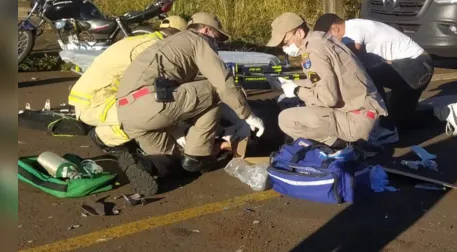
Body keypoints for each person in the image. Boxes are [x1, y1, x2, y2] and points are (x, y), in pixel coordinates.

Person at [116, 12, 265, 195]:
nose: (217, 45)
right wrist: (248, 116)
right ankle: (198, 154)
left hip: (126, 113)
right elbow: (223, 83)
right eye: (217, 39)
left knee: (175, 166)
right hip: (151, 104)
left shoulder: (172, 44)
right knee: (218, 89)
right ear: (206, 30)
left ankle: (145, 164)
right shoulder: (198, 40)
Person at [313, 14, 457, 137]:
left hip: (416, 66)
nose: (330, 45)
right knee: (401, 122)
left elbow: (350, 59)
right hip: (412, 69)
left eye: (328, 40)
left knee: (367, 74)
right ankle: (446, 112)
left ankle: (381, 124)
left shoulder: (353, 29)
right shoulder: (353, 28)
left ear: (335, 29)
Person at [265, 12, 387, 147]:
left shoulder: (313, 52)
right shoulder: (320, 40)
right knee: (306, 105)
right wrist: (293, 83)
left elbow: (328, 98)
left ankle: (338, 148)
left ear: (299, 33)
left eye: (285, 42)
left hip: (355, 120)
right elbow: (319, 81)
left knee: (286, 119)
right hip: (364, 113)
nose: (284, 48)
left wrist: (297, 91)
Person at [69, 15, 189, 149]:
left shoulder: (141, 40)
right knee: (150, 116)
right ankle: (103, 137)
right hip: (96, 104)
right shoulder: (153, 50)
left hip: (90, 96)